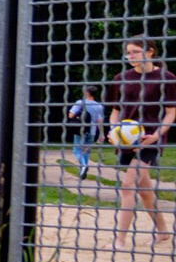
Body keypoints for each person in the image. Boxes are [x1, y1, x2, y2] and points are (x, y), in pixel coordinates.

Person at [104, 37, 176, 244]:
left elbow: (171, 113)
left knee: (128, 185)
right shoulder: (121, 78)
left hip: (149, 139)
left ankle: (120, 240)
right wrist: (113, 131)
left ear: (150, 51)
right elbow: (115, 111)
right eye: (129, 52)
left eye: (135, 51)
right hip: (126, 141)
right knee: (144, 191)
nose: (131, 56)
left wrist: (157, 134)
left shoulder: (167, 78)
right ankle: (163, 232)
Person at [69, 85, 106, 175]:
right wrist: (102, 134)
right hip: (92, 132)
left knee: (77, 150)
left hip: (81, 130)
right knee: (86, 151)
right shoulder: (99, 106)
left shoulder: (80, 103)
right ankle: (83, 171)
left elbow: (70, 115)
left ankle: (83, 166)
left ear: (87, 93)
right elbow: (99, 121)